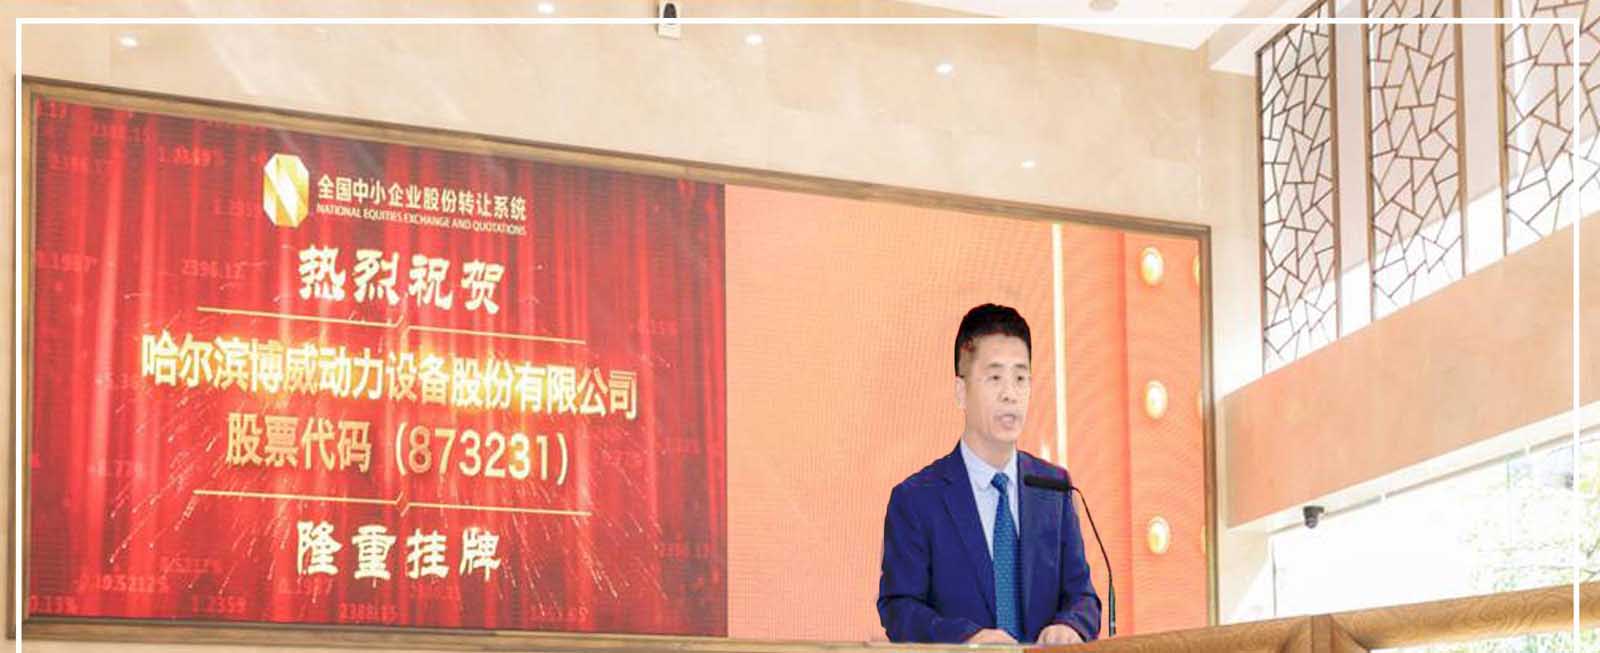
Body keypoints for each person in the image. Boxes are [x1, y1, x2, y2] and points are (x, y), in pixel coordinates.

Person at [877, 303, 1101, 645]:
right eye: (995, 378)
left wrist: (1069, 626)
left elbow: (1082, 596)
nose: (1010, 394)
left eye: (1020, 378)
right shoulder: (917, 499)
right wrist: (969, 639)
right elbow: (900, 608)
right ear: (961, 392)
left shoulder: (1053, 488)